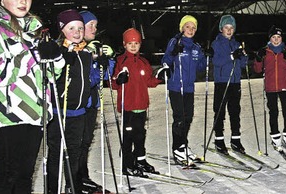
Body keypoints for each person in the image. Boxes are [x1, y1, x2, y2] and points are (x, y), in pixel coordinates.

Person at [0, 0, 64, 194]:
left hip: (35, 113)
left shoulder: (35, 31)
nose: (23, 1)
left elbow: (50, 76)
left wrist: (54, 57)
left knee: (25, 176)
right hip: (8, 116)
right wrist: (31, 54)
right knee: (8, 174)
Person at [47, 9, 92, 194]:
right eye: (71, 27)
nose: (77, 32)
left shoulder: (86, 53)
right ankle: (52, 189)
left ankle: (73, 186)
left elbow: (90, 79)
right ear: (62, 30)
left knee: (75, 152)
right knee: (57, 153)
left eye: (80, 28)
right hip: (60, 112)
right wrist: (62, 58)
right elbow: (49, 78)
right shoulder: (57, 51)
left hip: (79, 113)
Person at [111, 28, 163, 177]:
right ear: (124, 44)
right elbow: (114, 83)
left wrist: (160, 78)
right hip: (127, 106)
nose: (133, 46)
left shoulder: (143, 62)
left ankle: (141, 160)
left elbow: (149, 81)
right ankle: (127, 164)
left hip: (141, 106)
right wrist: (118, 80)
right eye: (130, 43)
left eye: (136, 43)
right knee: (128, 137)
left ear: (140, 44)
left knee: (140, 135)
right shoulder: (120, 62)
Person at [77, 10, 115, 193]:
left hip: (91, 104)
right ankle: (76, 179)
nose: (94, 28)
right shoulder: (79, 50)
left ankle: (82, 176)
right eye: (90, 25)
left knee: (85, 142)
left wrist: (108, 60)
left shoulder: (94, 47)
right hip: (79, 105)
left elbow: (107, 75)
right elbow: (88, 79)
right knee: (77, 143)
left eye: (95, 25)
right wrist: (95, 62)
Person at [161, 15, 207, 164]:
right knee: (180, 118)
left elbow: (200, 68)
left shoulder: (196, 47)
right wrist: (173, 53)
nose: (191, 30)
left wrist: (205, 57)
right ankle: (177, 148)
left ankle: (183, 144)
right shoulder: (175, 41)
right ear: (182, 28)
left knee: (188, 117)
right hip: (176, 86)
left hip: (188, 87)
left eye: (193, 27)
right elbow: (166, 60)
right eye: (188, 27)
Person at [253, 26, 286, 151]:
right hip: (270, 88)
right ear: (270, 38)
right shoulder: (265, 51)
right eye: (273, 37)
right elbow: (257, 69)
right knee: (273, 112)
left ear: (281, 38)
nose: (276, 40)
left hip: (285, 86)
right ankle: (275, 138)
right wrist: (258, 58)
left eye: (278, 37)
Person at [211, 14, 248, 154]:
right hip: (222, 81)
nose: (229, 30)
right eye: (226, 27)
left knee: (235, 111)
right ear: (221, 28)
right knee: (220, 111)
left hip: (235, 81)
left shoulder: (236, 43)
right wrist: (232, 56)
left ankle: (235, 139)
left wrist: (243, 56)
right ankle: (219, 140)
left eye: (231, 28)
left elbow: (243, 63)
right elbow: (217, 61)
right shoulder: (217, 43)